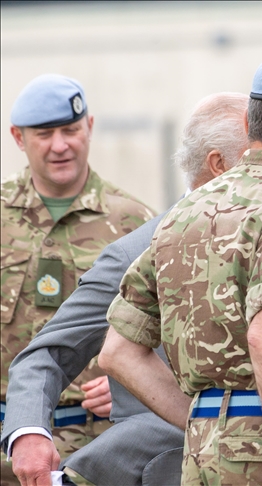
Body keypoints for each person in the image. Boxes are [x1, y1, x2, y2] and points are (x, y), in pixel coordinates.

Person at [100, 54, 262, 486]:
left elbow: (118, 351)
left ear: (252, 127)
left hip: (200, 459)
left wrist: (207, 421)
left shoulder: (185, 211)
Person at [0, 74, 153, 486]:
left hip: (98, 452)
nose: (60, 145)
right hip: (11, 443)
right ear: (18, 137)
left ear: (89, 127)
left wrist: (131, 379)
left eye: (70, 130)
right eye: (44, 134)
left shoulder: (135, 223)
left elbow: (169, 332)